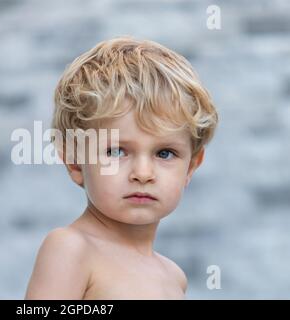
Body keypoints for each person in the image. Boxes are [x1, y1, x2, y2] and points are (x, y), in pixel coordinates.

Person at [25, 36, 219, 299]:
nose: (143, 173)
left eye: (165, 153)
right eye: (116, 151)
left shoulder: (174, 277)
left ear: (191, 168)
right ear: (74, 161)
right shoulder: (71, 249)